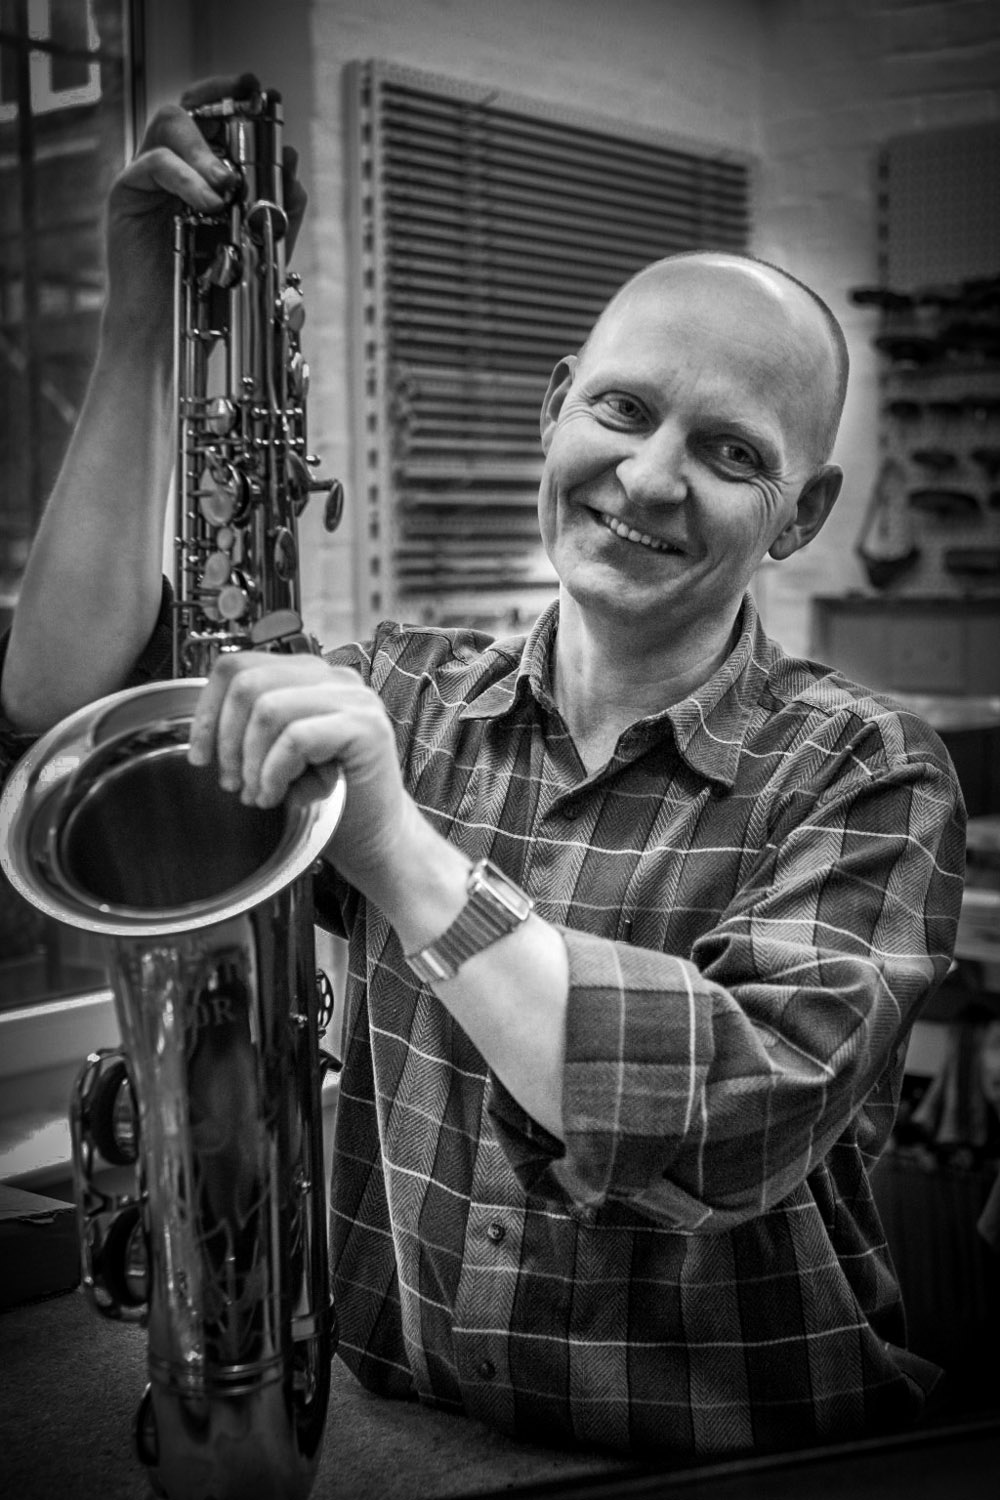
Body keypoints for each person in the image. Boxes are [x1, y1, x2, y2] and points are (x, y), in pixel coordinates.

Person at [0, 76, 967, 1458]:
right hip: (411, 1444)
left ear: (801, 515)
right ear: (556, 408)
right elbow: (68, 695)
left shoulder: (871, 769)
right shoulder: (400, 692)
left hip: (746, 1466)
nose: (649, 481)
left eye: (730, 452)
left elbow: (730, 1125)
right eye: (624, 410)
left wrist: (394, 848)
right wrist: (141, 315)